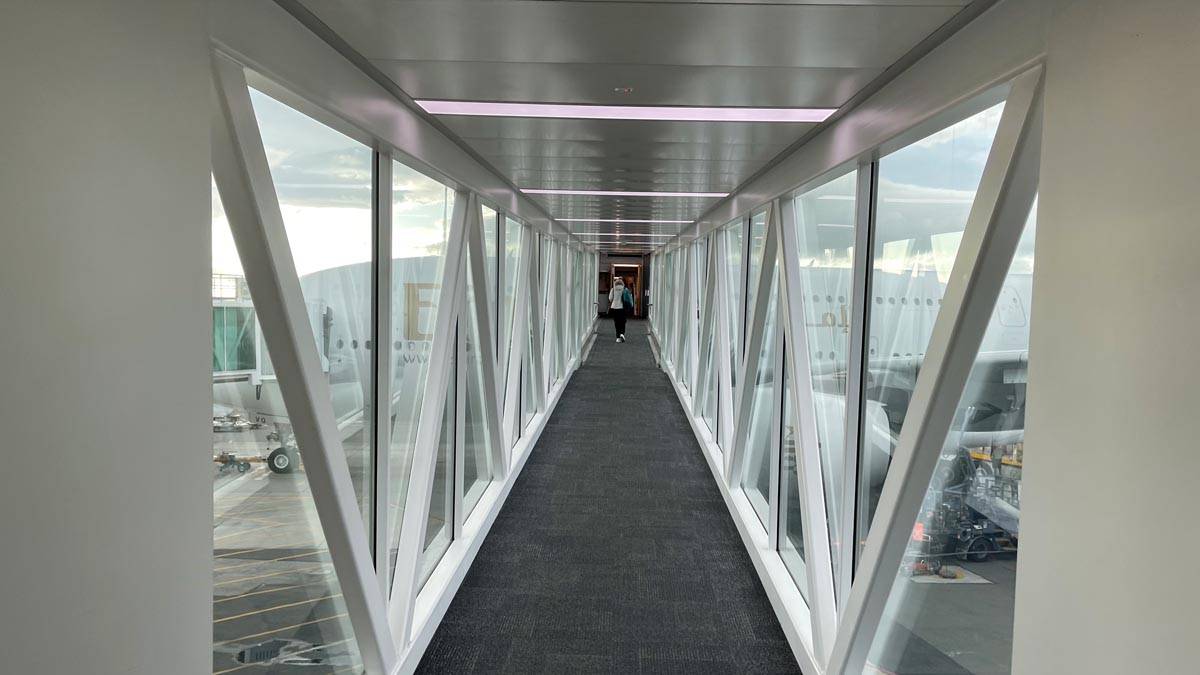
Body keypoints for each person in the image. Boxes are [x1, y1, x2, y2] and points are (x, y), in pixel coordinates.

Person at [608, 277, 629, 342]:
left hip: (614, 307)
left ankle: (617, 337)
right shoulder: (625, 289)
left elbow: (610, 298)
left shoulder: (613, 289)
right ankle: (622, 333)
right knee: (622, 322)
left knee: (616, 322)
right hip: (622, 308)